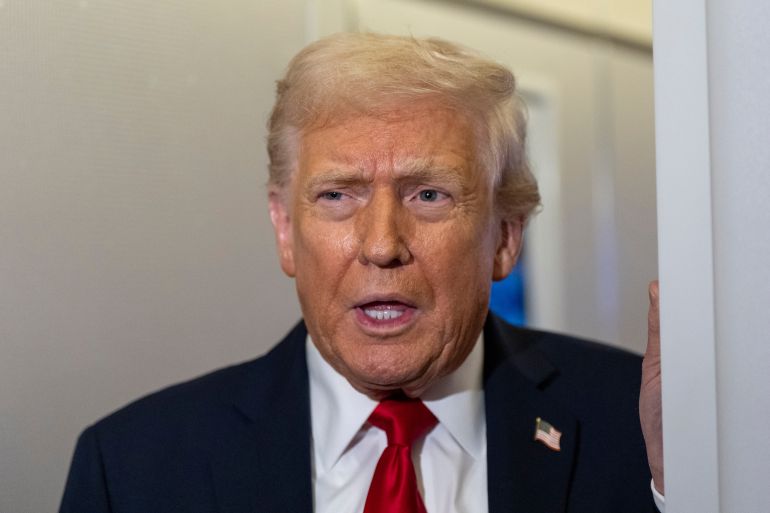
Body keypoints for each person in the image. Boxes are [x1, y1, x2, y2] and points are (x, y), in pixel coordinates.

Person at [59, 32, 664, 513]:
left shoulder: (641, 430)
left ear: (506, 236)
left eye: (429, 195)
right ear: (285, 230)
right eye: (337, 195)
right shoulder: (133, 467)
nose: (381, 246)